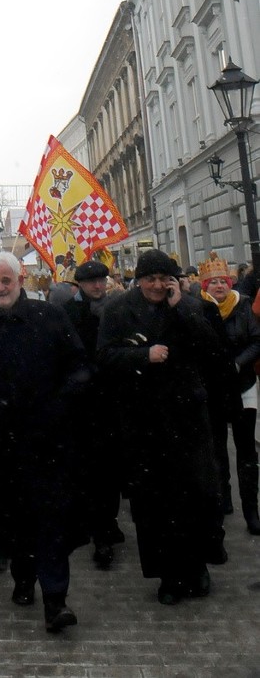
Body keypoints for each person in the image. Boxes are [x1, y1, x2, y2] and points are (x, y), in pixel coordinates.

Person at [0, 252, 89, 633]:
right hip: (0, 448)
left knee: (50, 522)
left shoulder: (50, 318)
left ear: (20, 278)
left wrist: (59, 403)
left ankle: (56, 599)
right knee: (12, 521)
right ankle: (23, 576)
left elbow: (79, 365)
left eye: (5, 281)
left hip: (48, 443)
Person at [97, 249, 223, 604]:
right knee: (154, 503)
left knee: (196, 495)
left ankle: (197, 565)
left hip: (187, 418)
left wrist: (180, 307)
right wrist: (142, 356)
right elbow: (104, 357)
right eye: (149, 279)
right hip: (144, 420)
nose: (155, 285)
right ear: (138, 280)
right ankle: (167, 575)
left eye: (162, 279)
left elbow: (211, 349)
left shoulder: (189, 305)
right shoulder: (117, 310)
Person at [63, 259, 124, 568]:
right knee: (91, 469)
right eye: (91, 282)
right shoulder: (71, 314)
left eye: (101, 281)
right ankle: (98, 529)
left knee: (112, 469)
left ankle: (108, 521)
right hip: (85, 402)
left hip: (114, 399)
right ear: (81, 285)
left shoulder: (117, 309)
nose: (98, 286)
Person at [199, 255, 260, 533]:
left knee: (246, 450)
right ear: (205, 286)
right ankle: (222, 499)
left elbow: (257, 340)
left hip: (243, 385)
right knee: (217, 449)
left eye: (222, 281)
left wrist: (239, 362)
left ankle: (251, 509)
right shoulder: (198, 309)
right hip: (213, 390)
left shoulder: (244, 305)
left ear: (230, 282)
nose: (219, 286)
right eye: (213, 282)